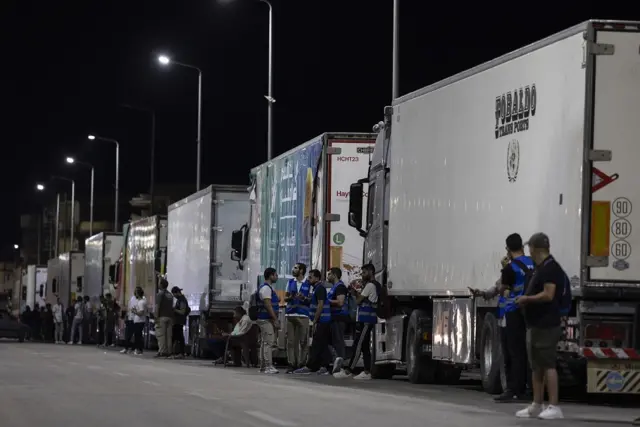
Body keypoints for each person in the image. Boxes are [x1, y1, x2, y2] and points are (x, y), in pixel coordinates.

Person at [470, 233, 533, 402]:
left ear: (507, 249)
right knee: (525, 353)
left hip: (511, 311)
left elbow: (501, 287)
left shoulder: (509, 268)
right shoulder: (533, 264)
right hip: (529, 312)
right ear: (522, 246)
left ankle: (513, 389)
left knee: (511, 352)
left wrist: (484, 293)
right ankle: (527, 389)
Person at [515, 232, 565, 420]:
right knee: (536, 366)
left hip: (546, 324)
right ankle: (537, 404)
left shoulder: (551, 269)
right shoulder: (540, 268)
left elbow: (548, 294)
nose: (530, 251)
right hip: (535, 324)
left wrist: (527, 298)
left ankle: (554, 405)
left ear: (535, 248)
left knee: (548, 364)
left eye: (530, 248)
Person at [334, 264, 378, 380]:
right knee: (364, 347)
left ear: (370, 272)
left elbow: (359, 301)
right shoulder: (371, 285)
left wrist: (354, 294)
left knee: (357, 345)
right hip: (365, 320)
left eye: (364, 273)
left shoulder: (370, 285)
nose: (362, 275)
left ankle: (349, 370)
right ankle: (367, 371)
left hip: (366, 320)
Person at [294, 269, 332, 375]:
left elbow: (320, 305)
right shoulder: (316, 289)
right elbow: (313, 302)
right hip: (322, 321)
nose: (308, 279)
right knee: (321, 344)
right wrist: (303, 298)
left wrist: (315, 319)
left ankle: (313, 366)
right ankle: (321, 366)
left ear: (317, 278)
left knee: (317, 344)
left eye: (310, 277)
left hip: (322, 320)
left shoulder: (320, 289)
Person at [284, 262, 311, 373]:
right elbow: (285, 298)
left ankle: (302, 363)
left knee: (303, 341)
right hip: (290, 314)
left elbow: (311, 300)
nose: (293, 269)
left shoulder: (309, 284)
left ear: (301, 270)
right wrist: (290, 297)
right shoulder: (290, 282)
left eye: (295, 268)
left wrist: (303, 297)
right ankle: (292, 364)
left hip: (303, 315)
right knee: (291, 342)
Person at [256, 267, 280, 374]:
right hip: (266, 319)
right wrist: (275, 319)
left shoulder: (267, 288)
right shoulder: (266, 288)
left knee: (264, 342)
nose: (277, 277)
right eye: (275, 275)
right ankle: (268, 366)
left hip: (264, 318)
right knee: (268, 343)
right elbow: (268, 305)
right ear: (270, 276)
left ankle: (263, 365)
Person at [327, 267, 349, 375]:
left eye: (329, 274)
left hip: (339, 318)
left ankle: (341, 366)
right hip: (334, 318)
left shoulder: (340, 287)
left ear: (335, 275)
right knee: (334, 342)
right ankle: (337, 363)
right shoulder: (334, 287)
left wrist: (326, 301)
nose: (328, 276)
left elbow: (340, 302)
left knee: (338, 342)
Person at [155, 278, 174, 358]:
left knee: (161, 335)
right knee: (169, 336)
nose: (158, 284)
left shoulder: (160, 294)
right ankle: (169, 352)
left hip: (162, 317)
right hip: (170, 317)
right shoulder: (170, 295)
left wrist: (156, 317)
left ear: (161, 285)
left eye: (159, 283)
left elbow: (157, 306)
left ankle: (162, 351)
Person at [171, 286, 189, 358]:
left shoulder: (182, 300)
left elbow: (182, 311)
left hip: (179, 321)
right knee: (177, 337)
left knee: (178, 337)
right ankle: (178, 352)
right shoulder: (180, 299)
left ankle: (180, 352)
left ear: (177, 293)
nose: (174, 296)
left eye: (174, 294)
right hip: (178, 321)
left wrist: (174, 310)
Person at [131, 287, 147, 355]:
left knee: (138, 336)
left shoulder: (141, 302)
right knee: (137, 335)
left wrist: (134, 311)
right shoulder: (140, 301)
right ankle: (138, 349)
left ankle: (139, 349)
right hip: (137, 320)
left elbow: (141, 312)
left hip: (140, 321)